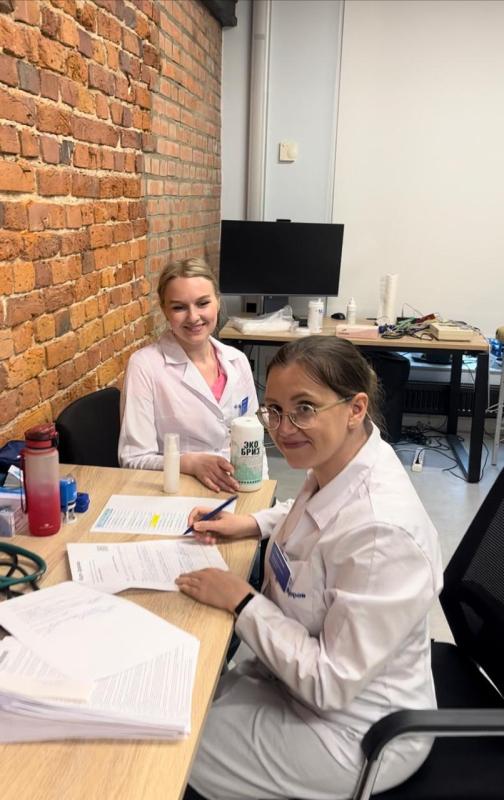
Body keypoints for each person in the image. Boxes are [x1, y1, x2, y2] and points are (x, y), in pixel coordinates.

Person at [176, 336, 443, 800]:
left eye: (304, 409)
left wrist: (241, 601)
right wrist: (251, 523)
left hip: (357, 731)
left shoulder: (382, 534)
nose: (284, 429)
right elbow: (318, 515)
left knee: (175, 756)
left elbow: (329, 683)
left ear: (355, 408)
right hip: (296, 683)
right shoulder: (343, 460)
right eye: (275, 410)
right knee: (184, 704)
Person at [118, 258, 266, 492]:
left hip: (239, 487)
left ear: (218, 301)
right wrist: (189, 463)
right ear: (165, 310)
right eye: (179, 307)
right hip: (178, 490)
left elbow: (254, 441)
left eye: (203, 303)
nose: (193, 317)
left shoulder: (237, 361)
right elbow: (133, 459)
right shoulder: (144, 366)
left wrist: (261, 488)